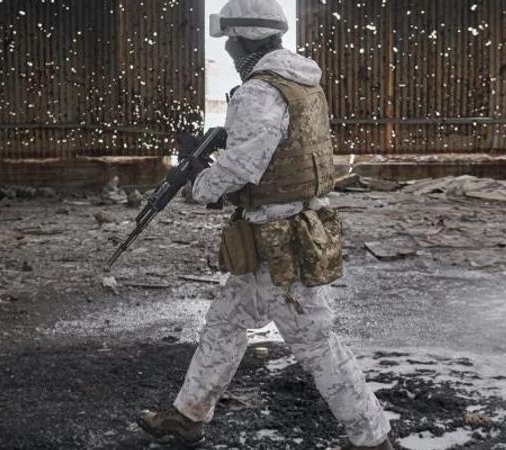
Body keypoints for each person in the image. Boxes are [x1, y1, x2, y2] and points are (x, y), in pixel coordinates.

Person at [137, 1, 393, 449]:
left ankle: (373, 439)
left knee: (317, 345)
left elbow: (242, 169)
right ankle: (187, 416)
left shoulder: (259, 92)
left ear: (242, 40)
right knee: (224, 324)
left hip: (282, 245)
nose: (229, 50)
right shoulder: (302, 83)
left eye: (230, 41)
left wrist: (199, 182)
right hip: (274, 234)